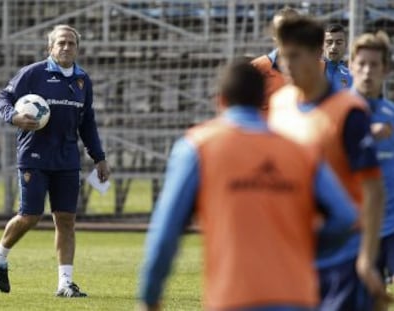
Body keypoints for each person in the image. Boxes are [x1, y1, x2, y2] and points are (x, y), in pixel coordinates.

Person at [137, 59, 359, 311]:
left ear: (220, 100)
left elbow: (167, 231)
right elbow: (345, 217)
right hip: (298, 296)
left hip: (234, 296)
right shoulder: (300, 151)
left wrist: (149, 296)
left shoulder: (198, 146)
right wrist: (303, 247)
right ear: (262, 100)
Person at [268, 16, 390, 310]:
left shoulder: (348, 110)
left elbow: (372, 190)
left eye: (293, 56)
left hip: (342, 254)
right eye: (283, 57)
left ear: (315, 54)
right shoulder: (280, 105)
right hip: (295, 249)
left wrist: (365, 256)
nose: (285, 65)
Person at [0, 24, 110, 297]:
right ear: (50, 48)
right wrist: (14, 117)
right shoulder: (33, 73)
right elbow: (2, 99)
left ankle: (65, 283)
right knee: (30, 215)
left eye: (71, 43)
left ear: (77, 48)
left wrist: (99, 158)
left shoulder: (82, 80)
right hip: (34, 154)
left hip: (67, 158)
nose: (66, 47)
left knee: (66, 219)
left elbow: (87, 122)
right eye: (61, 43)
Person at [349, 31, 394, 298]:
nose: (367, 72)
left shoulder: (391, 113)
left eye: (374, 65)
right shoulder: (337, 112)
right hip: (355, 229)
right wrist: (363, 134)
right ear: (352, 65)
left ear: (386, 69)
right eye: (361, 64)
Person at [251, 6, 299, 111]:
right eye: (282, 29)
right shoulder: (256, 68)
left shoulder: (319, 68)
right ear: (274, 34)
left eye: (292, 29)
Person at [323, 23, 353, 89]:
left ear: (346, 45)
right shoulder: (312, 73)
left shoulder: (351, 76)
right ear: (322, 45)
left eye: (339, 43)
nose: (333, 47)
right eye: (329, 42)